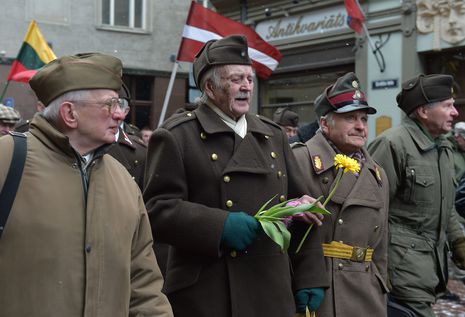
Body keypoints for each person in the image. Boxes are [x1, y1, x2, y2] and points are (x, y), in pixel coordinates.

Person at [143, 35, 328, 317]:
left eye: (249, 79)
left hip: (271, 289)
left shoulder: (273, 134)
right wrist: (220, 226)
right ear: (209, 87)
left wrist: (310, 275)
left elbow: (303, 207)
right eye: (235, 79)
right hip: (210, 291)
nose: (246, 87)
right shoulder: (177, 135)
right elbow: (156, 211)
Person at [0, 52, 172, 317]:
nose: (119, 114)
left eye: (120, 103)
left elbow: (143, 283)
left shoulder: (123, 180)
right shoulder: (7, 159)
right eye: (109, 104)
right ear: (70, 113)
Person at [368, 73, 465, 317]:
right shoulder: (392, 144)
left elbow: (446, 206)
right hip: (400, 272)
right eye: (448, 105)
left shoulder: (441, 147)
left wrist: (459, 243)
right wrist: (377, 269)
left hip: (428, 269)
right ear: (423, 111)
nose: (455, 112)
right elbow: (371, 211)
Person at [292, 72, 389, 317]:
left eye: (364, 119)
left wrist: (381, 286)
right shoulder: (299, 160)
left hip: (366, 294)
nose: (360, 126)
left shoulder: (377, 173)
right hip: (318, 290)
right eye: (350, 118)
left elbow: (380, 250)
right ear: (324, 124)